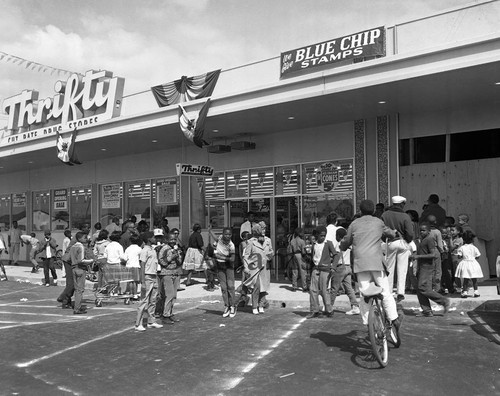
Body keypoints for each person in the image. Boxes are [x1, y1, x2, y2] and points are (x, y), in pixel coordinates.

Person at [340, 200, 403, 331]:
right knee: (385, 292)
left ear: (360, 211)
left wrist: (342, 245)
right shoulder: (378, 222)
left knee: (365, 294)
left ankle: (368, 324)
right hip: (376, 263)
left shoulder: (354, 223)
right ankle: (394, 318)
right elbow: (390, 233)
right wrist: (395, 233)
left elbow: (346, 241)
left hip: (360, 264)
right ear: (373, 210)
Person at [412, 223, 451, 317]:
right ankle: (427, 311)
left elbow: (433, 255)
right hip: (422, 266)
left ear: (429, 231)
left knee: (422, 288)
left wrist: (418, 256)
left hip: (427, 267)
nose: (421, 232)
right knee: (420, 289)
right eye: (420, 230)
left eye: (424, 230)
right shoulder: (422, 239)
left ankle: (443, 301)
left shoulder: (429, 239)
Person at [381, 195, 414, 302]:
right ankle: (400, 292)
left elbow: (381, 230)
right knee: (402, 268)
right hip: (402, 242)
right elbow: (409, 233)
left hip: (390, 242)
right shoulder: (405, 216)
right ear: (401, 204)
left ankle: (389, 291)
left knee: (389, 268)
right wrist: (408, 241)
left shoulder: (385, 215)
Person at [242, 222, 274, 315]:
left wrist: (269, 256)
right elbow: (246, 255)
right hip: (255, 267)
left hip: (265, 267)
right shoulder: (251, 241)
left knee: (264, 288)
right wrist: (246, 267)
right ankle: (254, 306)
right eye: (261, 229)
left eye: (264, 229)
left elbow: (270, 251)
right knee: (256, 287)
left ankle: (261, 305)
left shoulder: (268, 240)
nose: (263, 231)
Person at [306, 226, 337, 319]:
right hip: (315, 269)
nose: (323, 237)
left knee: (324, 290)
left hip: (325, 269)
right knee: (313, 290)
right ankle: (314, 310)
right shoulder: (314, 244)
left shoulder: (328, 244)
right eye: (321, 236)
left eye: (324, 235)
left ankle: (329, 310)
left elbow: (336, 255)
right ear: (317, 235)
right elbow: (312, 258)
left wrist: (333, 267)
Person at [135, 231, 163, 331]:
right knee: (144, 300)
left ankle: (151, 321)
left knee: (153, 300)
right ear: (149, 239)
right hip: (147, 277)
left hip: (154, 275)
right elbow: (142, 265)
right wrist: (142, 281)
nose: (155, 239)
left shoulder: (153, 250)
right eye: (153, 237)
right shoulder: (144, 250)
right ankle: (138, 323)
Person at [330, 228, 360, 315]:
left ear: (339, 236)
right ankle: (355, 306)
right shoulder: (349, 244)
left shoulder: (338, 244)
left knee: (334, 288)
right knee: (349, 288)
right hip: (348, 267)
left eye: (336, 235)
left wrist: (333, 267)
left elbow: (337, 256)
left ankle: (329, 306)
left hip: (340, 267)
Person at [156, 232, 184, 324]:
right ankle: (165, 314)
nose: (173, 241)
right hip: (166, 273)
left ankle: (170, 312)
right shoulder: (164, 249)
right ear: (167, 240)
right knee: (169, 294)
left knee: (174, 295)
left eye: (174, 239)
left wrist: (177, 256)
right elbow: (162, 261)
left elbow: (179, 262)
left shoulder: (176, 249)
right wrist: (172, 257)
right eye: (171, 239)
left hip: (175, 273)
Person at [214, 227, 236, 318]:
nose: (228, 236)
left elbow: (232, 259)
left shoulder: (231, 245)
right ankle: (227, 305)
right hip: (220, 266)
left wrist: (221, 257)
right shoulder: (219, 239)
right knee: (223, 287)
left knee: (230, 286)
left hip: (229, 267)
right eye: (226, 234)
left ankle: (233, 306)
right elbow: (215, 250)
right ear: (222, 234)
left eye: (229, 234)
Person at [70, 232, 94, 314]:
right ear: (80, 238)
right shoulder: (81, 247)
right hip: (80, 268)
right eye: (84, 237)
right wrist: (91, 261)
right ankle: (77, 308)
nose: (86, 239)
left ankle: (78, 306)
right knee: (80, 290)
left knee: (77, 289)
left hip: (73, 268)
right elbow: (81, 260)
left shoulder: (73, 246)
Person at [456, 230, 483, 298]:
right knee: (474, 279)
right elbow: (478, 256)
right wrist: (473, 258)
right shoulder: (474, 247)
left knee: (466, 279)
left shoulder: (461, 248)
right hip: (473, 263)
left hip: (465, 263)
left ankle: (464, 292)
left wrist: (462, 256)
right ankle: (476, 291)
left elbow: (459, 256)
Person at [426, 215, 444, 292]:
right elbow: (440, 245)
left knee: (428, 269)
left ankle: (428, 287)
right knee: (437, 270)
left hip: (426, 251)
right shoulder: (437, 232)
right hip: (435, 251)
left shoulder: (425, 231)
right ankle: (437, 288)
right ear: (435, 222)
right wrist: (442, 252)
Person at [289, 228, 309, 292]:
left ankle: (294, 286)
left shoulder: (292, 241)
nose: (303, 234)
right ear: (300, 233)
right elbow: (303, 251)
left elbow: (290, 250)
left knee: (294, 271)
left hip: (294, 255)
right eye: (302, 233)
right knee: (303, 271)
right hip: (300, 256)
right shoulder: (302, 241)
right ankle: (304, 287)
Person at [124, 235, 142, 299]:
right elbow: (141, 257)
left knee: (130, 281)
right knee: (135, 281)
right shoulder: (139, 249)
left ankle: (131, 293)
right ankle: (135, 294)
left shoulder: (128, 249)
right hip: (136, 266)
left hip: (128, 266)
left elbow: (125, 258)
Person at [449, 224, 464, 294]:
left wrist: (449, 239)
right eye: (450, 230)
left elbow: (452, 248)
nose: (451, 232)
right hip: (452, 257)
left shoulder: (459, 240)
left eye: (453, 230)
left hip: (456, 257)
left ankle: (460, 287)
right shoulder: (454, 239)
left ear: (458, 231)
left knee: (457, 272)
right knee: (454, 272)